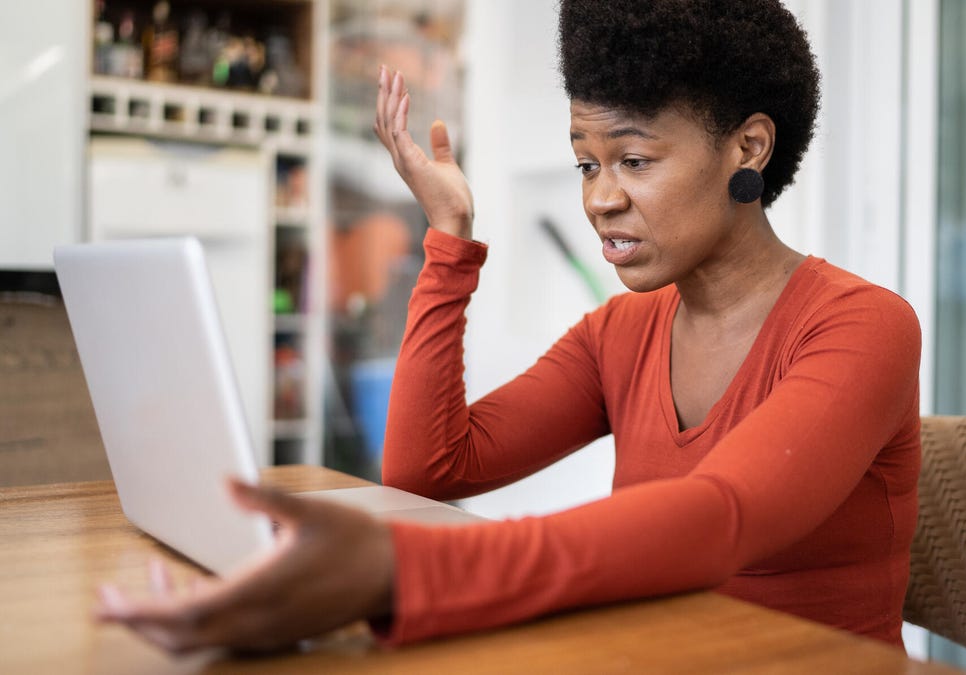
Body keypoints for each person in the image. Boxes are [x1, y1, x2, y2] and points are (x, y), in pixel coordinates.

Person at [95, 0, 921, 654]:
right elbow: (428, 467)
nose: (600, 197)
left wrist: (401, 569)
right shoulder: (622, 333)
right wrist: (449, 239)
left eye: (634, 160)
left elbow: (720, 518)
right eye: (586, 163)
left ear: (748, 147)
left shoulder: (863, 329)